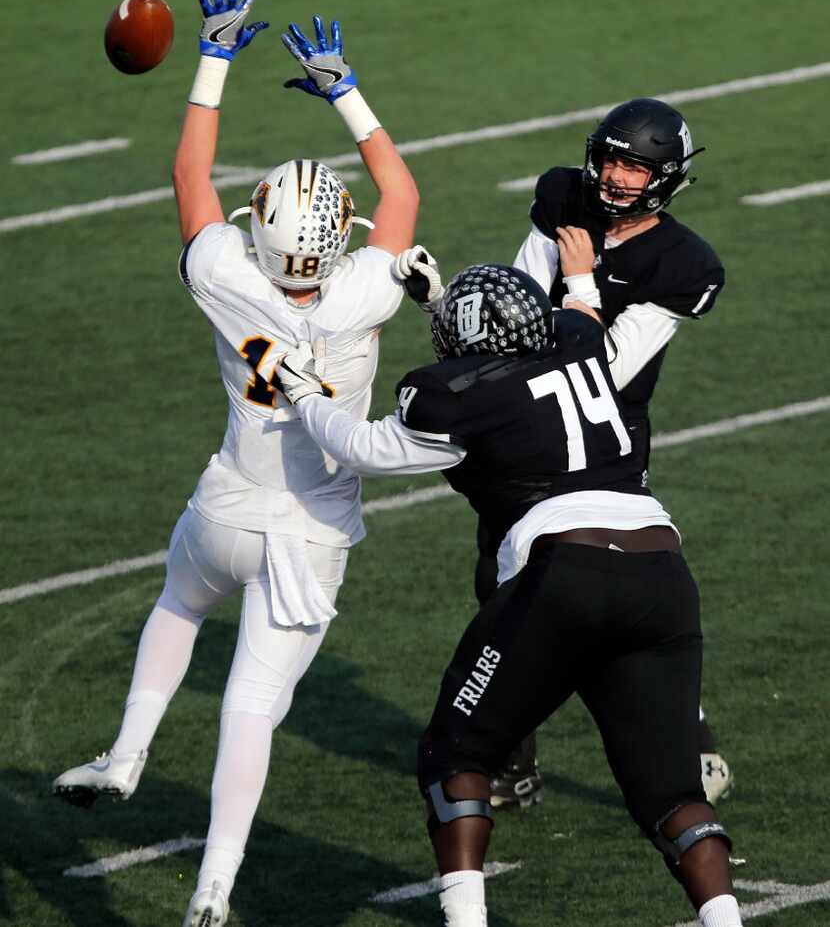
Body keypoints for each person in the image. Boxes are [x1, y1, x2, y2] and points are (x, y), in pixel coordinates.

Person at [51, 0, 437, 927]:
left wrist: (215, 57)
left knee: (179, 604)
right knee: (249, 714)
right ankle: (214, 888)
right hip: (309, 538)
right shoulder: (368, 288)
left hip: (228, 504)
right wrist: (345, 88)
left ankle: (129, 749)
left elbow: (190, 179)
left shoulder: (227, 270)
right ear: (331, 238)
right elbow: (401, 186)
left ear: (260, 232)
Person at [272, 263, 744, 927]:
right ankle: (726, 921)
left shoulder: (456, 394)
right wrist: (566, 278)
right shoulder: (581, 349)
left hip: (566, 571)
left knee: (456, 754)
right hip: (662, 571)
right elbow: (577, 312)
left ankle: (466, 920)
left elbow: (364, 448)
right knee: (671, 792)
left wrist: (303, 394)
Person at [478, 97, 730, 809]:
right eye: (612, 159)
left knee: (605, 595)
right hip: (528, 429)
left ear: (666, 176)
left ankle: (688, 725)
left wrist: (582, 282)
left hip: (607, 444)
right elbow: (519, 301)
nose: (616, 178)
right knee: (498, 584)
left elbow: (606, 370)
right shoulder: (562, 196)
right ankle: (510, 757)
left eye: (635, 166)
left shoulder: (683, 264)